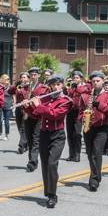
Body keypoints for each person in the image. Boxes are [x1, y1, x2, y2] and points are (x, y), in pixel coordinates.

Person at [24, 74, 72, 208]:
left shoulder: (66, 100)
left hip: (58, 136)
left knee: (52, 163)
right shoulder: (45, 99)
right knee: (45, 164)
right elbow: (35, 115)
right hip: (44, 134)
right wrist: (28, 106)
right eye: (53, 85)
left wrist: (38, 105)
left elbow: (55, 114)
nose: (56, 87)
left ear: (62, 85)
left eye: (58, 84)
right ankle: (48, 191)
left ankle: (52, 195)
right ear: (50, 86)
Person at [79, 71, 108, 192]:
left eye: (98, 81)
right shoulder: (85, 96)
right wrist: (83, 117)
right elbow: (79, 112)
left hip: (102, 128)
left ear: (102, 81)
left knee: (96, 152)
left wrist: (99, 104)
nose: (95, 83)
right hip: (88, 127)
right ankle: (95, 175)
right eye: (93, 81)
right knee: (90, 154)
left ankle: (94, 180)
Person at [23, 67, 49, 172]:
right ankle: (32, 159)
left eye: (35, 75)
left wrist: (33, 103)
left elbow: (45, 102)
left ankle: (32, 162)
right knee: (29, 139)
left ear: (38, 75)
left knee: (35, 139)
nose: (33, 77)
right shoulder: (25, 88)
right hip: (28, 115)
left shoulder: (44, 88)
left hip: (38, 116)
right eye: (31, 75)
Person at [8, 72, 30, 154]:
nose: (23, 79)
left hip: (26, 109)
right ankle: (26, 143)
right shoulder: (18, 86)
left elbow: (27, 97)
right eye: (21, 77)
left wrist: (21, 90)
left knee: (24, 127)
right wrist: (15, 85)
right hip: (18, 108)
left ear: (28, 78)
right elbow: (9, 91)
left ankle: (21, 146)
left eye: (24, 77)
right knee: (19, 127)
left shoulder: (30, 87)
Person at [65, 70, 84, 162]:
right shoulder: (71, 88)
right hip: (70, 112)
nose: (75, 79)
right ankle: (71, 154)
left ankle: (77, 154)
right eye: (74, 78)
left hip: (79, 113)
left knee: (77, 134)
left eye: (77, 78)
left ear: (80, 79)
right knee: (69, 134)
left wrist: (75, 87)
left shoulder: (84, 87)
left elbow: (82, 92)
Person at [0, 74, 13, 141]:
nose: (8, 80)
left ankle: (6, 135)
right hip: (0, 105)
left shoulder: (10, 87)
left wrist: (13, 105)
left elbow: (14, 96)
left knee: (7, 121)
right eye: (6, 79)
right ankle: (0, 134)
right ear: (3, 79)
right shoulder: (0, 87)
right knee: (0, 120)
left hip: (8, 105)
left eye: (8, 79)